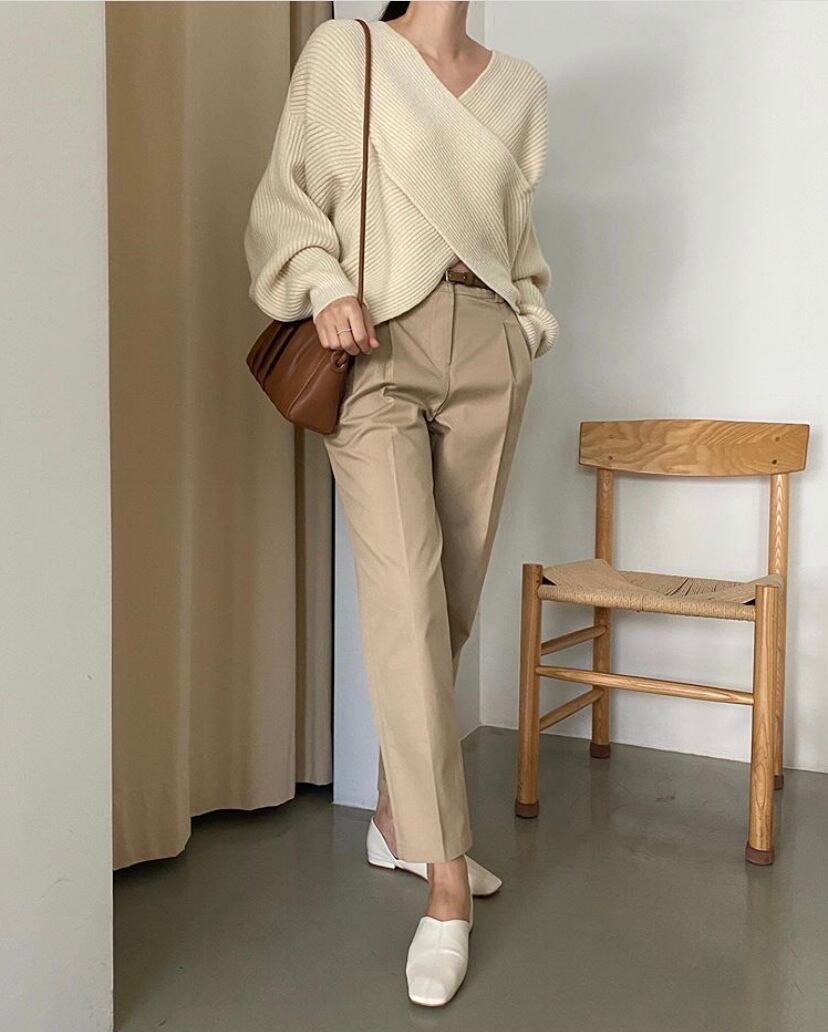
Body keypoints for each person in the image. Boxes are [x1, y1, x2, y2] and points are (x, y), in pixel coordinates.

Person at [245, 0, 558, 1007]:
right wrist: (322, 281)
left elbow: (518, 238)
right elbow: (288, 196)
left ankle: (398, 818)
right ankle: (447, 884)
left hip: (489, 342)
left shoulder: (521, 90)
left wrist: (527, 325)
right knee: (405, 598)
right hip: (373, 342)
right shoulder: (348, 52)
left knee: (451, 602)